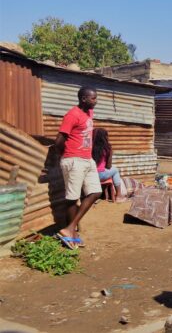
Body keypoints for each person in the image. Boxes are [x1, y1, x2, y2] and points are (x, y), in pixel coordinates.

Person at [54, 87, 100, 248]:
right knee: (72, 198)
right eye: (93, 98)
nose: (96, 101)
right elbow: (59, 141)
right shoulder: (72, 115)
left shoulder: (89, 113)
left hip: (88, 160)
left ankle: (70, 228)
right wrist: (66, 156)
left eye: (96, 98)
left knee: (96, 192)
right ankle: (71, 234)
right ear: (83, 99)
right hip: (73, 160)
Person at [92, 128, 125, 200]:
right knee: (115, 170)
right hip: (101, 175)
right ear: (105, 137)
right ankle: (119, 195)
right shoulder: (107, 148)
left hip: (90, 175)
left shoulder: (90, 147)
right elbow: (108, 166)